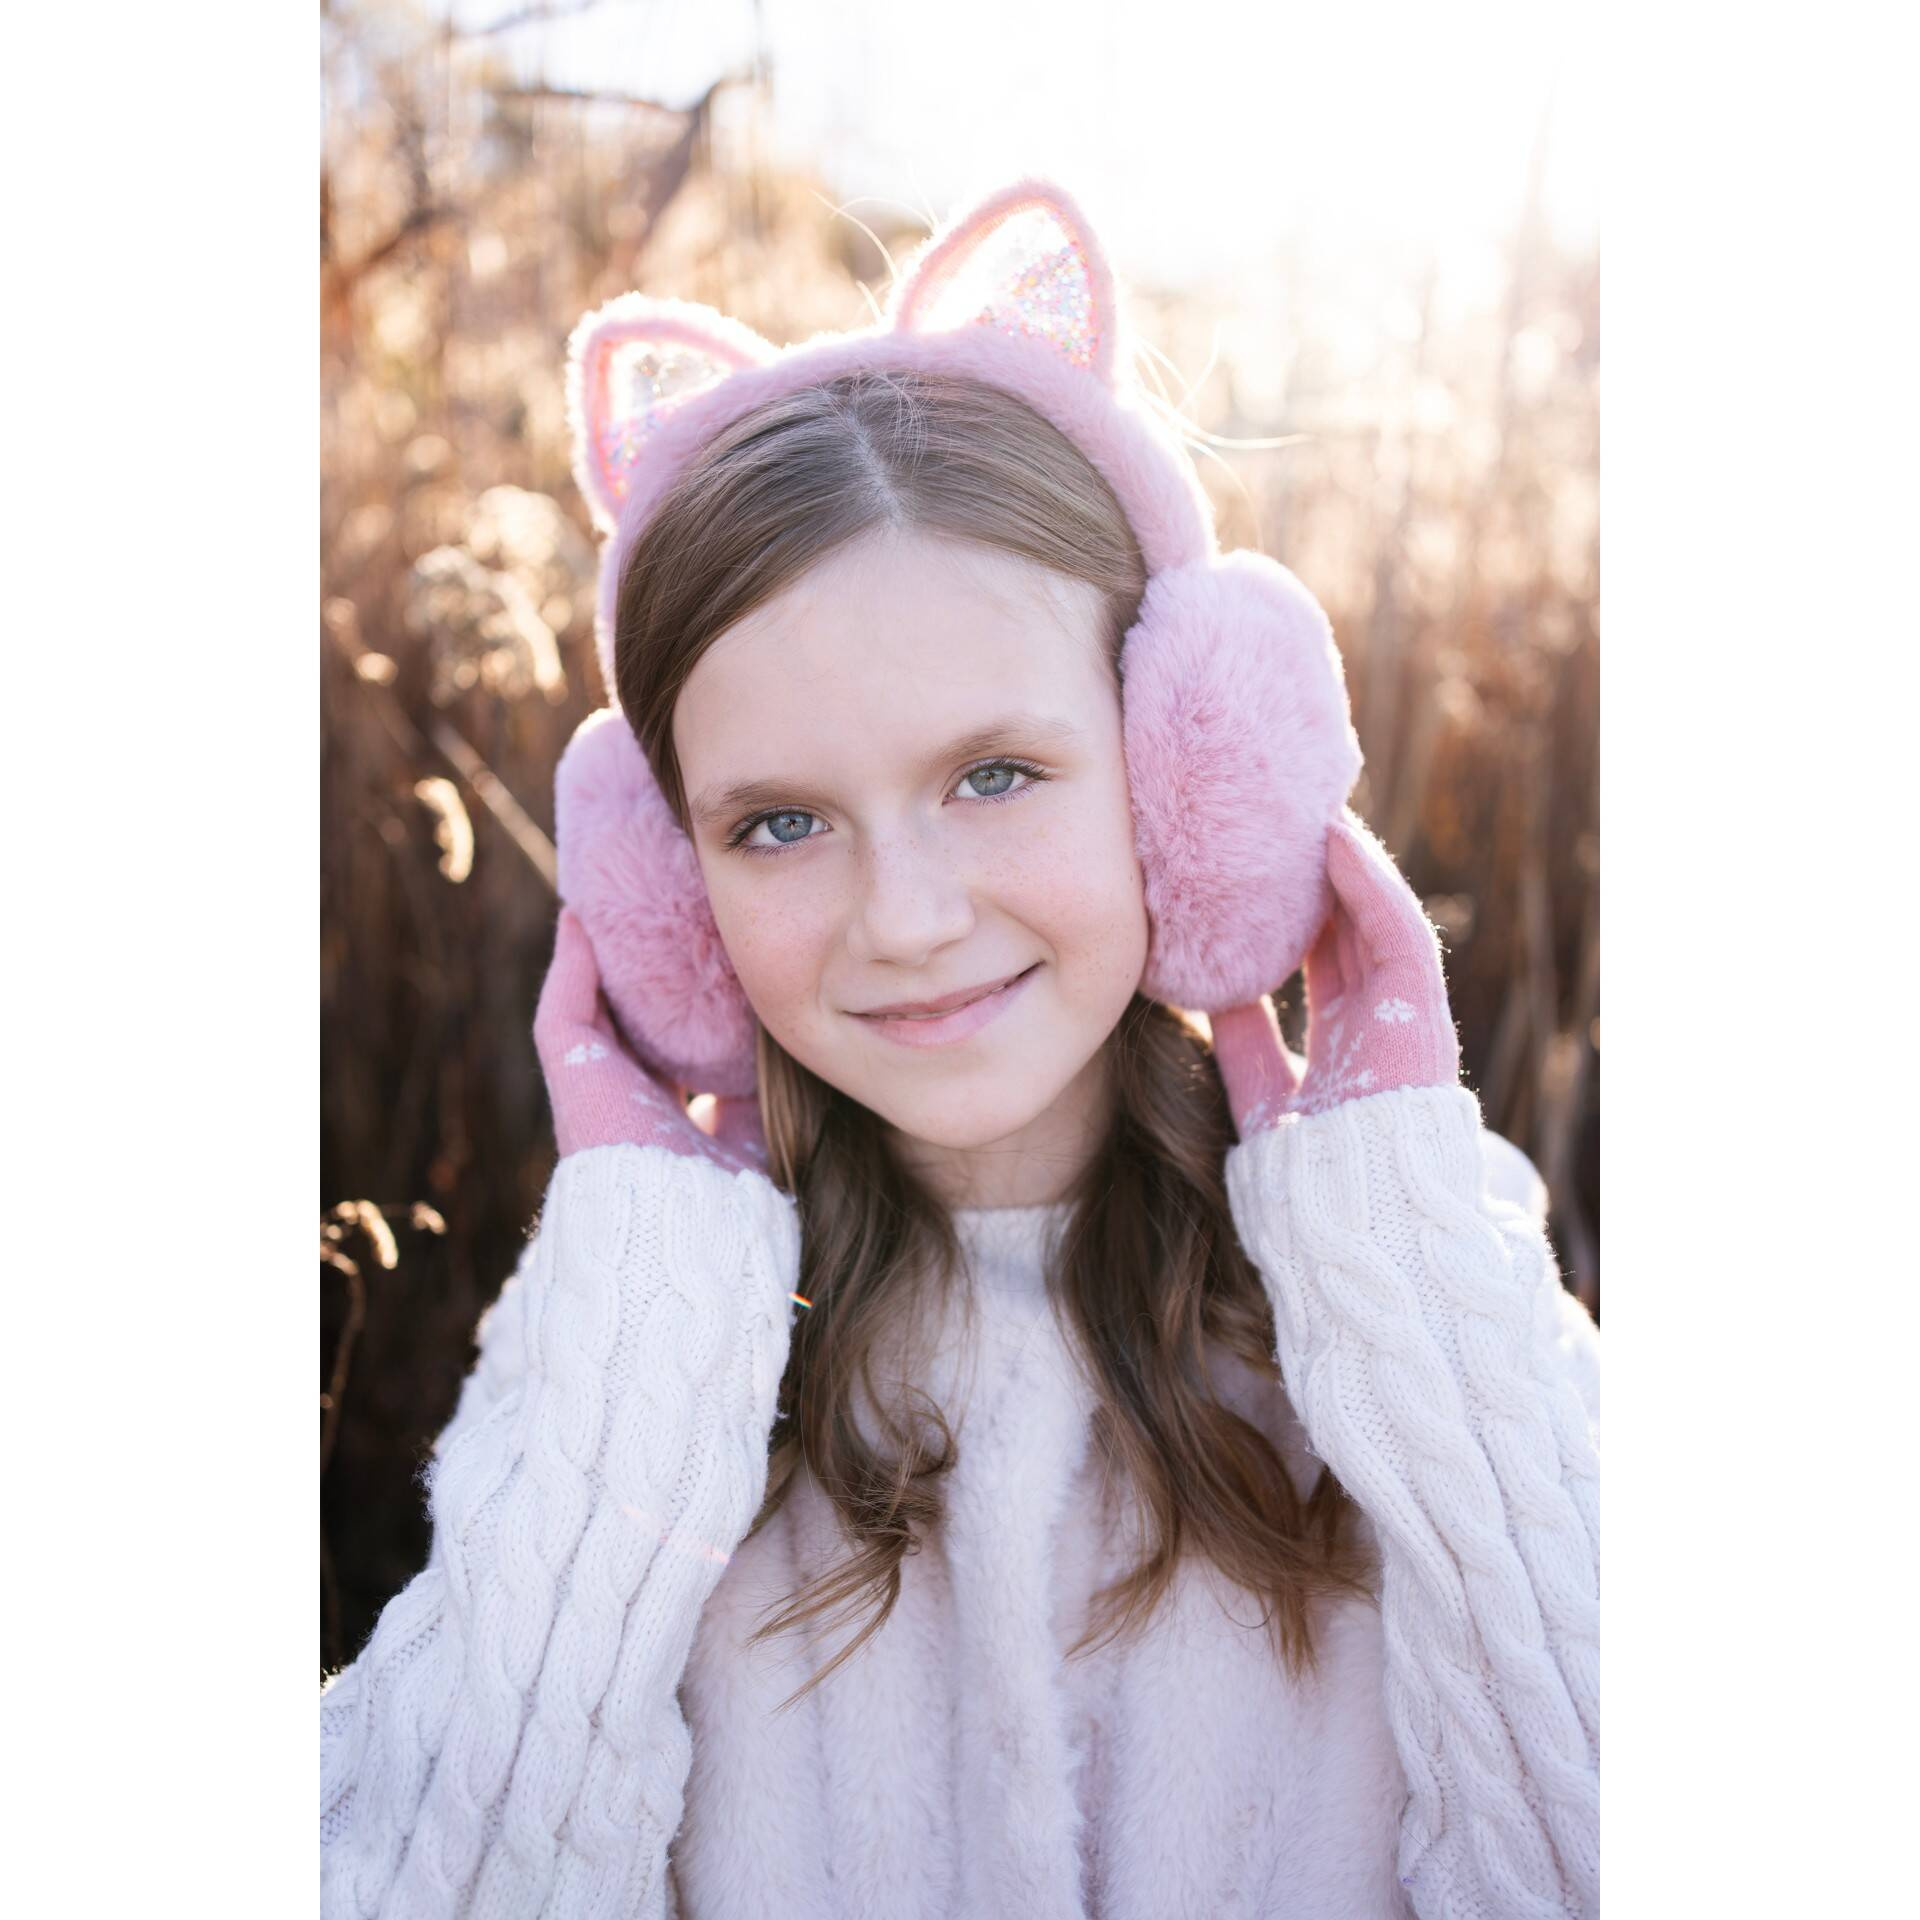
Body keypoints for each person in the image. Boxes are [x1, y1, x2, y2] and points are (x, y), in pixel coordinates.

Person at [320, 178, 1599, 1920]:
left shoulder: (1408, 1304)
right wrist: (641, 1313)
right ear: (665, 886)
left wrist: (1410, 1263)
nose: (906, 918)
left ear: (1186, 767)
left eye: (994, 775)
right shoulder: (640, 1353)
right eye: (778, 823)